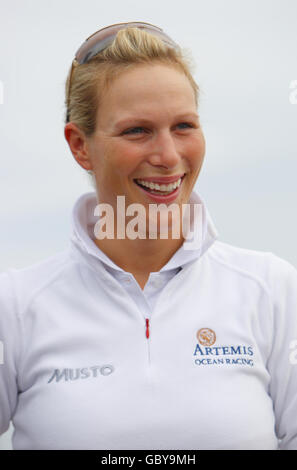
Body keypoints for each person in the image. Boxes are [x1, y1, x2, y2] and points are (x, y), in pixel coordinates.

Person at [0, 21, 297, 451]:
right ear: (80, 145)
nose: (168, 156)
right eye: (137, 131)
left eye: (184, 126)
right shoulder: (16, 307)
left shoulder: (271, 290)